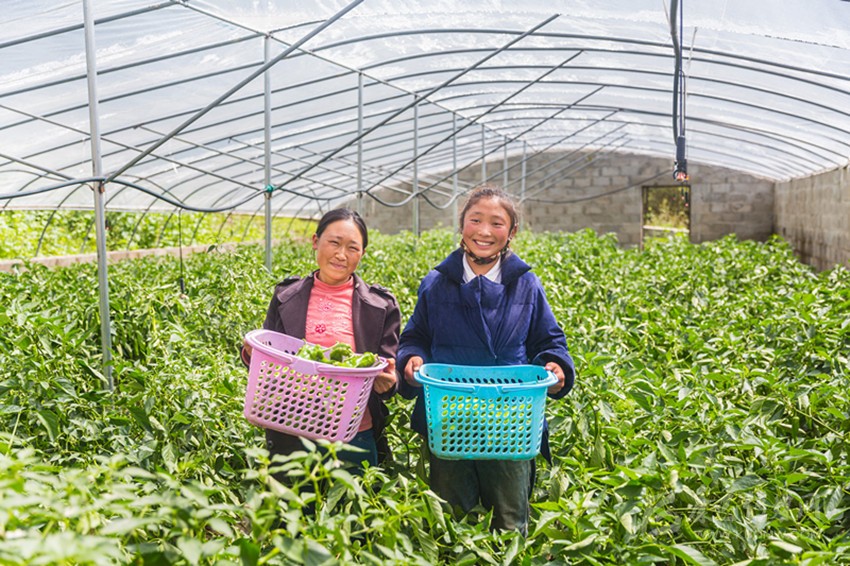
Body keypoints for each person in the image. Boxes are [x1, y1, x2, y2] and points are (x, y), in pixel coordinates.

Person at [397, 184, 575, 534]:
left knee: (509, 519)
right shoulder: (436, 283)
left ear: (512, 232)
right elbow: (415, 336)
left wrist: (556, 365)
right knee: (452, 517)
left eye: (497, 223)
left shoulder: (526, 285)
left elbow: (549, 340)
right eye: (475, 220)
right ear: (462, 225)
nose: (484, 231)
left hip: (512, 419)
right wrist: (412, 360)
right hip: (450, 417)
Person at [243, 208, 400, 470]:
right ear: (316, 242)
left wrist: (387, 382)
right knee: (294, 496)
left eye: (352, 248)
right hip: (291, 426)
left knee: (354, 495)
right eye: (334, 243)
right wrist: (252, 353)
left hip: (353, 432)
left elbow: (388, 371)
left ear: (362, 253)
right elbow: (269, 359)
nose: (341, 255)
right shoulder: (286, 296)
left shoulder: (381, 306)